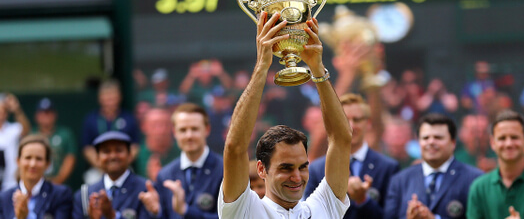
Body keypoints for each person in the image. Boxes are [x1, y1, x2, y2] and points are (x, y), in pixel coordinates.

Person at [218, 12, 352, 218]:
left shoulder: (323, 208)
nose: (297, 177)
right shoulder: (244, 210)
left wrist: (317, 68)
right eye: (286, 168)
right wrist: (262, 66)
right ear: (262, 170)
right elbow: (235, 148)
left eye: (303, 167)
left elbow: (341, 140)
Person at [304, 93, 399, 219]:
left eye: (357, 119)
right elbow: (309, 215)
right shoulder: (317, 169)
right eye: (344, 119)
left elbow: (391, 216)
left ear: (368, 122)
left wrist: (363, 200)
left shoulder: (388, 168)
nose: (351, 126)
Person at [384, 113, 482, 219]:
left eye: (438, 137)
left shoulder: (475, 180)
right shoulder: (399, 181)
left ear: (453, 143)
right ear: (418, 142)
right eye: (425, 138)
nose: (431, 142)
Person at [153, 103, 223, 219]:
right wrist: (155, 212)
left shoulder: (224, 170)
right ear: (174, 132)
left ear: (207, 130)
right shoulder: (165, 175)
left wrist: (186, 210)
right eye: (183, 130)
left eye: (194, 129)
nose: (189, 135)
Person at [73, 131, 160, 218]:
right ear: (97, 158)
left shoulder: (147, 190)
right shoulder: (84, 195)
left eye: (119, 150)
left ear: (130, 155)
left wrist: (112, 215)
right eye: (106, 151)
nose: (113, 156)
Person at [0, 135, 72, 218]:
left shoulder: (61, 195)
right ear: (18, 161)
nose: (33, 164)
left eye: (39, 159)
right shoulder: (1, 199)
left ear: (47, 164)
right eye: (28, 158)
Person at [81, 80, 141, 170]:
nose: (110, 101)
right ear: (100, 98)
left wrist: (122, 165)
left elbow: (135, 146)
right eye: (107, 98)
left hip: (125, 167)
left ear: (119, 97)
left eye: (113, 97)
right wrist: (101, 165)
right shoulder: (91, 119)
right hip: (98, 169)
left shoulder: (129, 118)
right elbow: (87, 148)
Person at [32, 97, 77, 184]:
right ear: (36, 116)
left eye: (49, 112)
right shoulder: (31, 134)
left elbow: (70, 159)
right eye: (42, 113)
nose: (46, 116)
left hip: (60, 185)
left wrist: (57, 181)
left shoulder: (65, 134)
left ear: (55, 115)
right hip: (35, 184)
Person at [0, 93, 30, 191]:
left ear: (6, 113)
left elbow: (26, 129)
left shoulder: (13, 129)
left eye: (1, 111)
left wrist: (16, 109)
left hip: (10, 183)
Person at [136, 107, 179, 181]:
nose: (161, 130)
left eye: (166, 124)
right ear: (143, 126)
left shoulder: (183, 154)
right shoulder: (135, 156)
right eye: (155, 125)